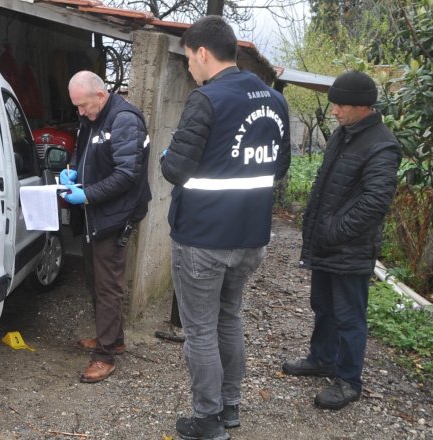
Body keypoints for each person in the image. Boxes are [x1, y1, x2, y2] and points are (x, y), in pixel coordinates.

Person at [160, 16, 290, 440]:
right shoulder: (275, 100)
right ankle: (230, 406)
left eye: (188, 60)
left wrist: (165, 156)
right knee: (229, 318)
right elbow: (280, 166)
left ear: (202, 52)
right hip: (250, 236)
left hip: (202, 237)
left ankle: (207, 420)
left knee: (200, 329)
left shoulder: (208, 99)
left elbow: (175, 169)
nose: (189, 70)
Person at [282, 70, 401, 411]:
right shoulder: (343, 134)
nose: (334, 111)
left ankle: (348, 380)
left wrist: (334, 230)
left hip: (350, 249)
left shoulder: (382, 143)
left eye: (341, 105)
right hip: (327, 244)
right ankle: (322, 359)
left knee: (350, 316)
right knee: (323, 306)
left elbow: (376, 202)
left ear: (364, 106)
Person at [60, 70, 152, 384]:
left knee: (108, 285)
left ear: (100, 95)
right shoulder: (91, 117)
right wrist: (71, 171)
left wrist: (87, 194)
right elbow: (82, 151)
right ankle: (113, 337)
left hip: (115, 215)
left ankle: (105, 355)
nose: (80, 112)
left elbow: (127, 174)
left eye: (84, 105)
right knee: (94, 277)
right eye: (77, 107)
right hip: (94, 213)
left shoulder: (124, 120)